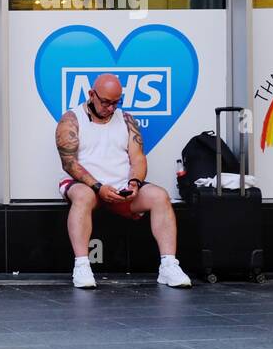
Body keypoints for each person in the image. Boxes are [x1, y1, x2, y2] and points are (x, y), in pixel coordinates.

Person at [55, 72, 192, 289]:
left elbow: (138, 158)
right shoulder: (71, 119)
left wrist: (135, 183)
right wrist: (98, 187)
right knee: (82, 195)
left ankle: (168, 265)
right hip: (88, 186)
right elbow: (69, 162)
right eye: (106, 102)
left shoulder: (127, 119)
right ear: (91, 94)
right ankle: (82, 265)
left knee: (159, 196)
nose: (111, 108)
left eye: (115, 103)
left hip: (120, 187)